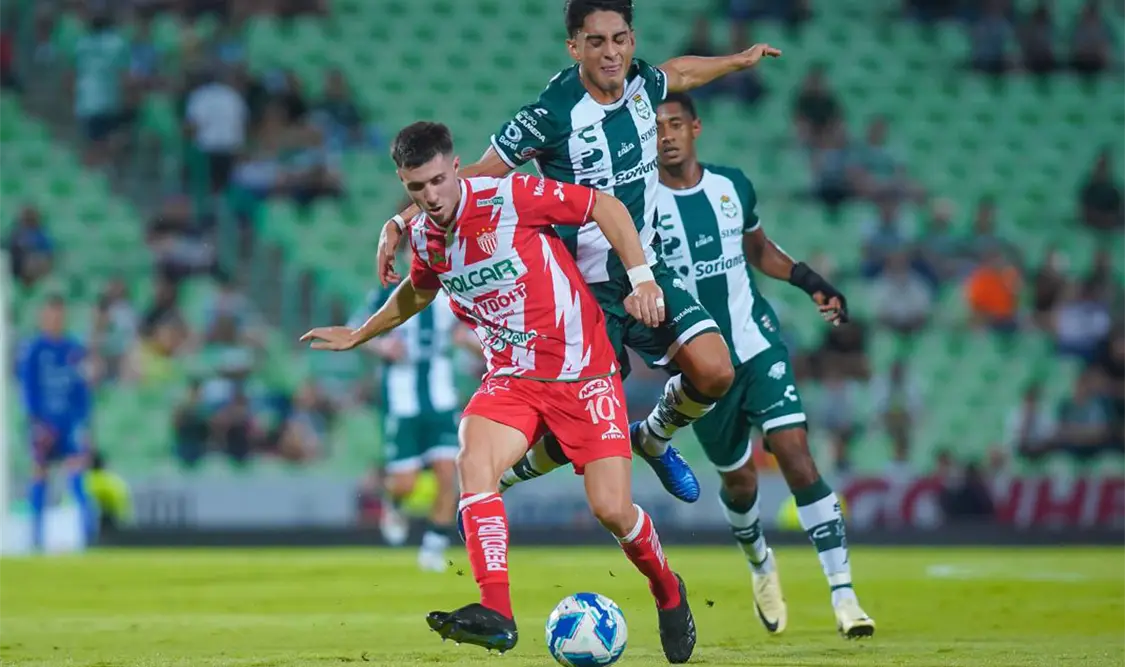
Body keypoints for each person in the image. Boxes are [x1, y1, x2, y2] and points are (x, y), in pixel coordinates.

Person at [301, 122, 696, 662]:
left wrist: (643, 278)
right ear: (404, 184)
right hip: (511, 378)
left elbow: (604, 206)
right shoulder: (425, 237)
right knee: (472, 456)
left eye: (439, 181)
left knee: (611, 510)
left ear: (456, 165)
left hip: (584, 374)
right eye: (417, 189)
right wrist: (360, 333)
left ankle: (668, 590)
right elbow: (418, 290)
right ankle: (498, 611)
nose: (431, 197)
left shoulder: (512, 195)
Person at [375, 0, 784, 506]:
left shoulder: (641, 84)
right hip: (577, 292)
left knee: (716, 370)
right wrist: (402, 219)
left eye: (619, 39)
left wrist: (738, 61)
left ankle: (653, 436)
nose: (611, 52)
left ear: (632, 39)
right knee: (569, 437)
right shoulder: (551, 114)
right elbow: (475, 175)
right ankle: (504, 478)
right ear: (575, 47)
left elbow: (678, 73)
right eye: (596, 42)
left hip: (641, 270)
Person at [499, 93, 873, 639]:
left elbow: (761, 250)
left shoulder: (731, 186)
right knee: (741, 482)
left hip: (754, 342)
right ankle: (759, 562)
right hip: (690, 346)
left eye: (677, 124)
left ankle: (845, 596)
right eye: (659, 127)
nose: (668, 135)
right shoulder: (638, 203)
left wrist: (812, 281)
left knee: (794, 452)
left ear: (696, 127)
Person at [347, 282, 477, 572]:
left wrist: (466, 341)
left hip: (441, 402)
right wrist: (381, 346)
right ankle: (393, 503)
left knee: (448, 473)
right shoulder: (385, 294)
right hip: (402, 402)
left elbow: (476, 337)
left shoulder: (451, 292)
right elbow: (354, 332)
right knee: (406, 482)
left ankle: (434, 546)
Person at [17, 296, 96, 550]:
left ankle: (90, 537)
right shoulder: (34, 350)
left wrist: (83, 423)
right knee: (39, 473)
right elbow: (28, 389)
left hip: (70, 424)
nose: (55, 319)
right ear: (43, 317)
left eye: (59, 315)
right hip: (43, 424)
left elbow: (82, 389)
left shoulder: (74, 348)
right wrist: (35, 421)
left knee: (77, 474)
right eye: (51, 315)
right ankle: (36, 538)